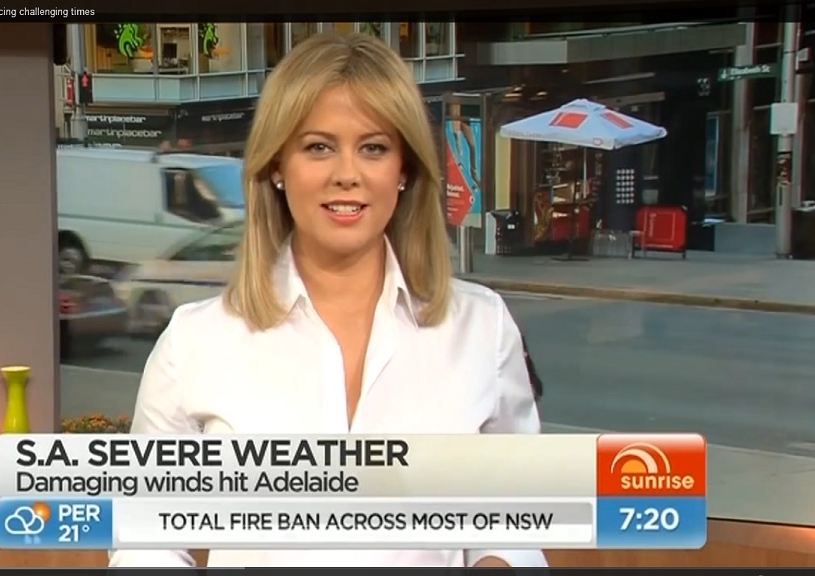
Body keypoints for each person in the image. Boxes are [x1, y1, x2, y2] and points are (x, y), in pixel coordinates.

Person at [109, 31, 547, 568]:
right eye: (318, 147)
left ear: (404, 169)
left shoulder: (480, 327)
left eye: (374, 148)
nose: (347, 175)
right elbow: (144, 541)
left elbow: (516, 521)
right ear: (277, 165)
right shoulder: (195, 341)